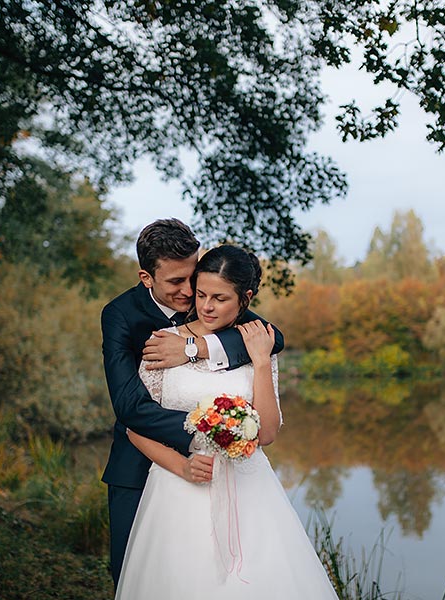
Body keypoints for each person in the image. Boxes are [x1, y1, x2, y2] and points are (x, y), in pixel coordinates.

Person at [114, 245, 339, 599]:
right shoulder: (163, 343)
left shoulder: (256, 345)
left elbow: (266, 433)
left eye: (219, 298)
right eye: (201, 294)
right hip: (178, 488)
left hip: (249, 489)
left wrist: (262, 363)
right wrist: (182, 465)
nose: (205, 305)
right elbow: (134, 426)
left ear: (244, 298)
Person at [101, 219, 284, 587]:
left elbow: (271, 338)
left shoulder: (207, 298)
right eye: (176, 282)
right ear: (146, 277)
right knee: (135, 576)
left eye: (194, 278)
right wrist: (209, 431)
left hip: (228, 474)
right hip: (140, 468)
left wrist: (195, 347)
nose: (190, 293)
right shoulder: (120, 315)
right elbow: (130, 408)